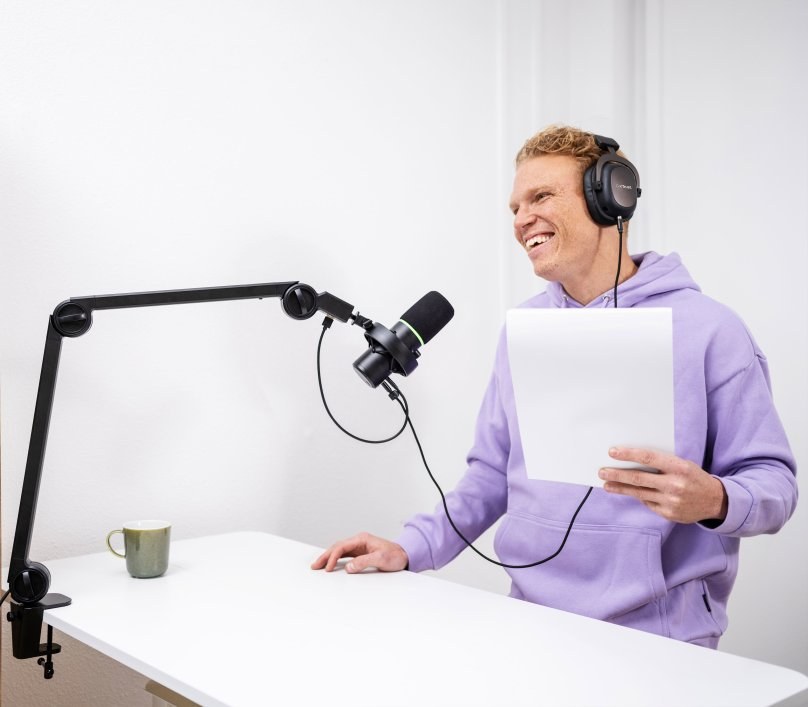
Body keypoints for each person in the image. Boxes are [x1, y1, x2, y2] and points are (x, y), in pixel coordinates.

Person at [311, 125, 798, 648]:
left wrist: (715, 499)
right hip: (531, 624)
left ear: (610, 198)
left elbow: (775, 484)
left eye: (541, 196)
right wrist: (411, 548)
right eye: (515, 207)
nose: (521, 219)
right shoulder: (524, 329)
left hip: (665, 639)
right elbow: (491, 475)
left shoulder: (711, 329)